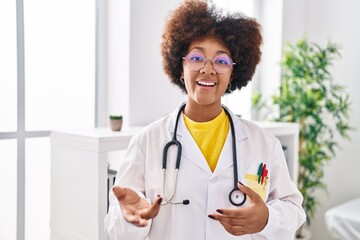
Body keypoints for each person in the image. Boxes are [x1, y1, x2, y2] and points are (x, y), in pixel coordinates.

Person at [104, 0, 306, 239]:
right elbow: (116, 228)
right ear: (180, 67)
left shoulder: (263, 143)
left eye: (221, 61)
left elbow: (293, 209)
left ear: (233, 74)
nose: (208, 69)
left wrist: (267, 219)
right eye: (196, 58)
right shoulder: (146, 142)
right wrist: (131, 219)